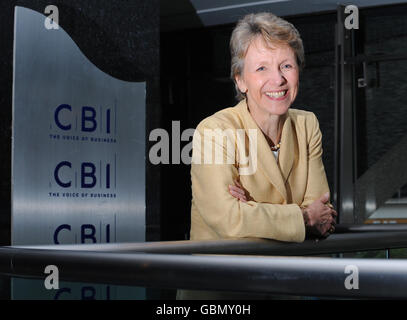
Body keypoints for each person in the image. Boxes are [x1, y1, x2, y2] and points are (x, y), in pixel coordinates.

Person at [189, 12, 337, 243]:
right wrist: (304, 218)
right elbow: (228, 219)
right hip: (230, 275)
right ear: (240, 80)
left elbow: (323, 214)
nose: (277, 79)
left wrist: (253, 208)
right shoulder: (214, 131)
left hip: (291, 273)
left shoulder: (307, 125)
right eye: (261, 69)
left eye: (286, 65)